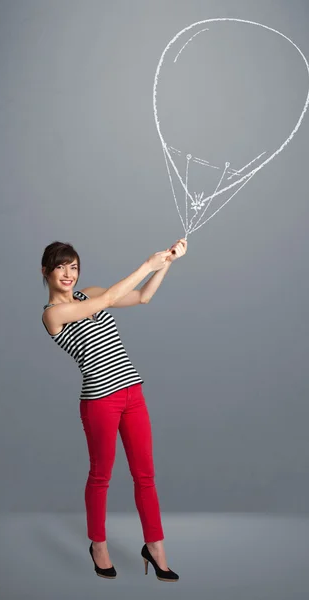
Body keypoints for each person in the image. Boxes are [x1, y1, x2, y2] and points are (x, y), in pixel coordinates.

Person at [40, 238, 187, 582]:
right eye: (61, 266)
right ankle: (98, 545)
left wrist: (166, 262)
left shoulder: (87, 292)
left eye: (73, 266)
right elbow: (106, 301)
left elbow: (143, 296)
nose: (68, 273)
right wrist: (145, 264)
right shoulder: (53, 315)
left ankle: (155, 547)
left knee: (145, 475)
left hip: (132, 394)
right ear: (45, 271)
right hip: (99, 401)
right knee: (101, 476)